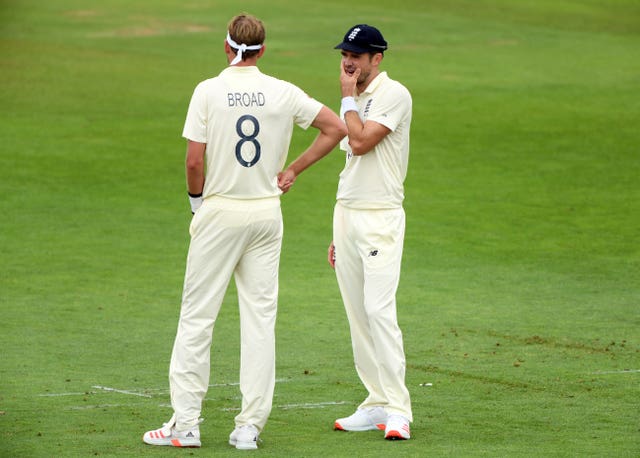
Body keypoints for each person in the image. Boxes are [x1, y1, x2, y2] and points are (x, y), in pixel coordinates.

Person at [143, 14, 346, 450]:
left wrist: (196, 204)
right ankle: (249, 428)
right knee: (260, 321)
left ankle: (186, 425)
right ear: (262, 51)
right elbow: (336, 128)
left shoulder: (208, 90)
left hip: (220, 212)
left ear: (226, 46)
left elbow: (194, 161)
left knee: (198, 318)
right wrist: (292, 169)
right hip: (266, 215)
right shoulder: (282, 90)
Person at [328, 24, 413, 440]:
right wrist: (338, 230)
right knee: (358, 315)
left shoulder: (393, 94)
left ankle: (399, 410)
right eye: (345, 53)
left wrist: (346, 98)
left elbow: (361, 143)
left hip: (380, 217)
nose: (348, 61)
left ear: (376, 59)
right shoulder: (354, 98)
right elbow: (351, 163)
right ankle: (376, 402)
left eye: (357, 55)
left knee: (379, 312)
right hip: (348, 214)